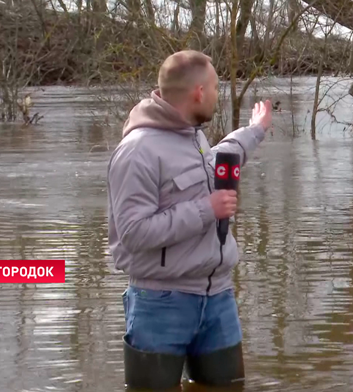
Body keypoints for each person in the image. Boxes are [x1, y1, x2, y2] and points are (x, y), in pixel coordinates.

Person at [106, 50, 272, 390]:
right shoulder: (137, 151)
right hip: (160, 304)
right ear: (198, 92)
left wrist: (255, 130)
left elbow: (219, 159)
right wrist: (206, 210)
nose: (216, 95)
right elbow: (133, 233)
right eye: (214, 87)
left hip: (218, 299)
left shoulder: (193, 136)